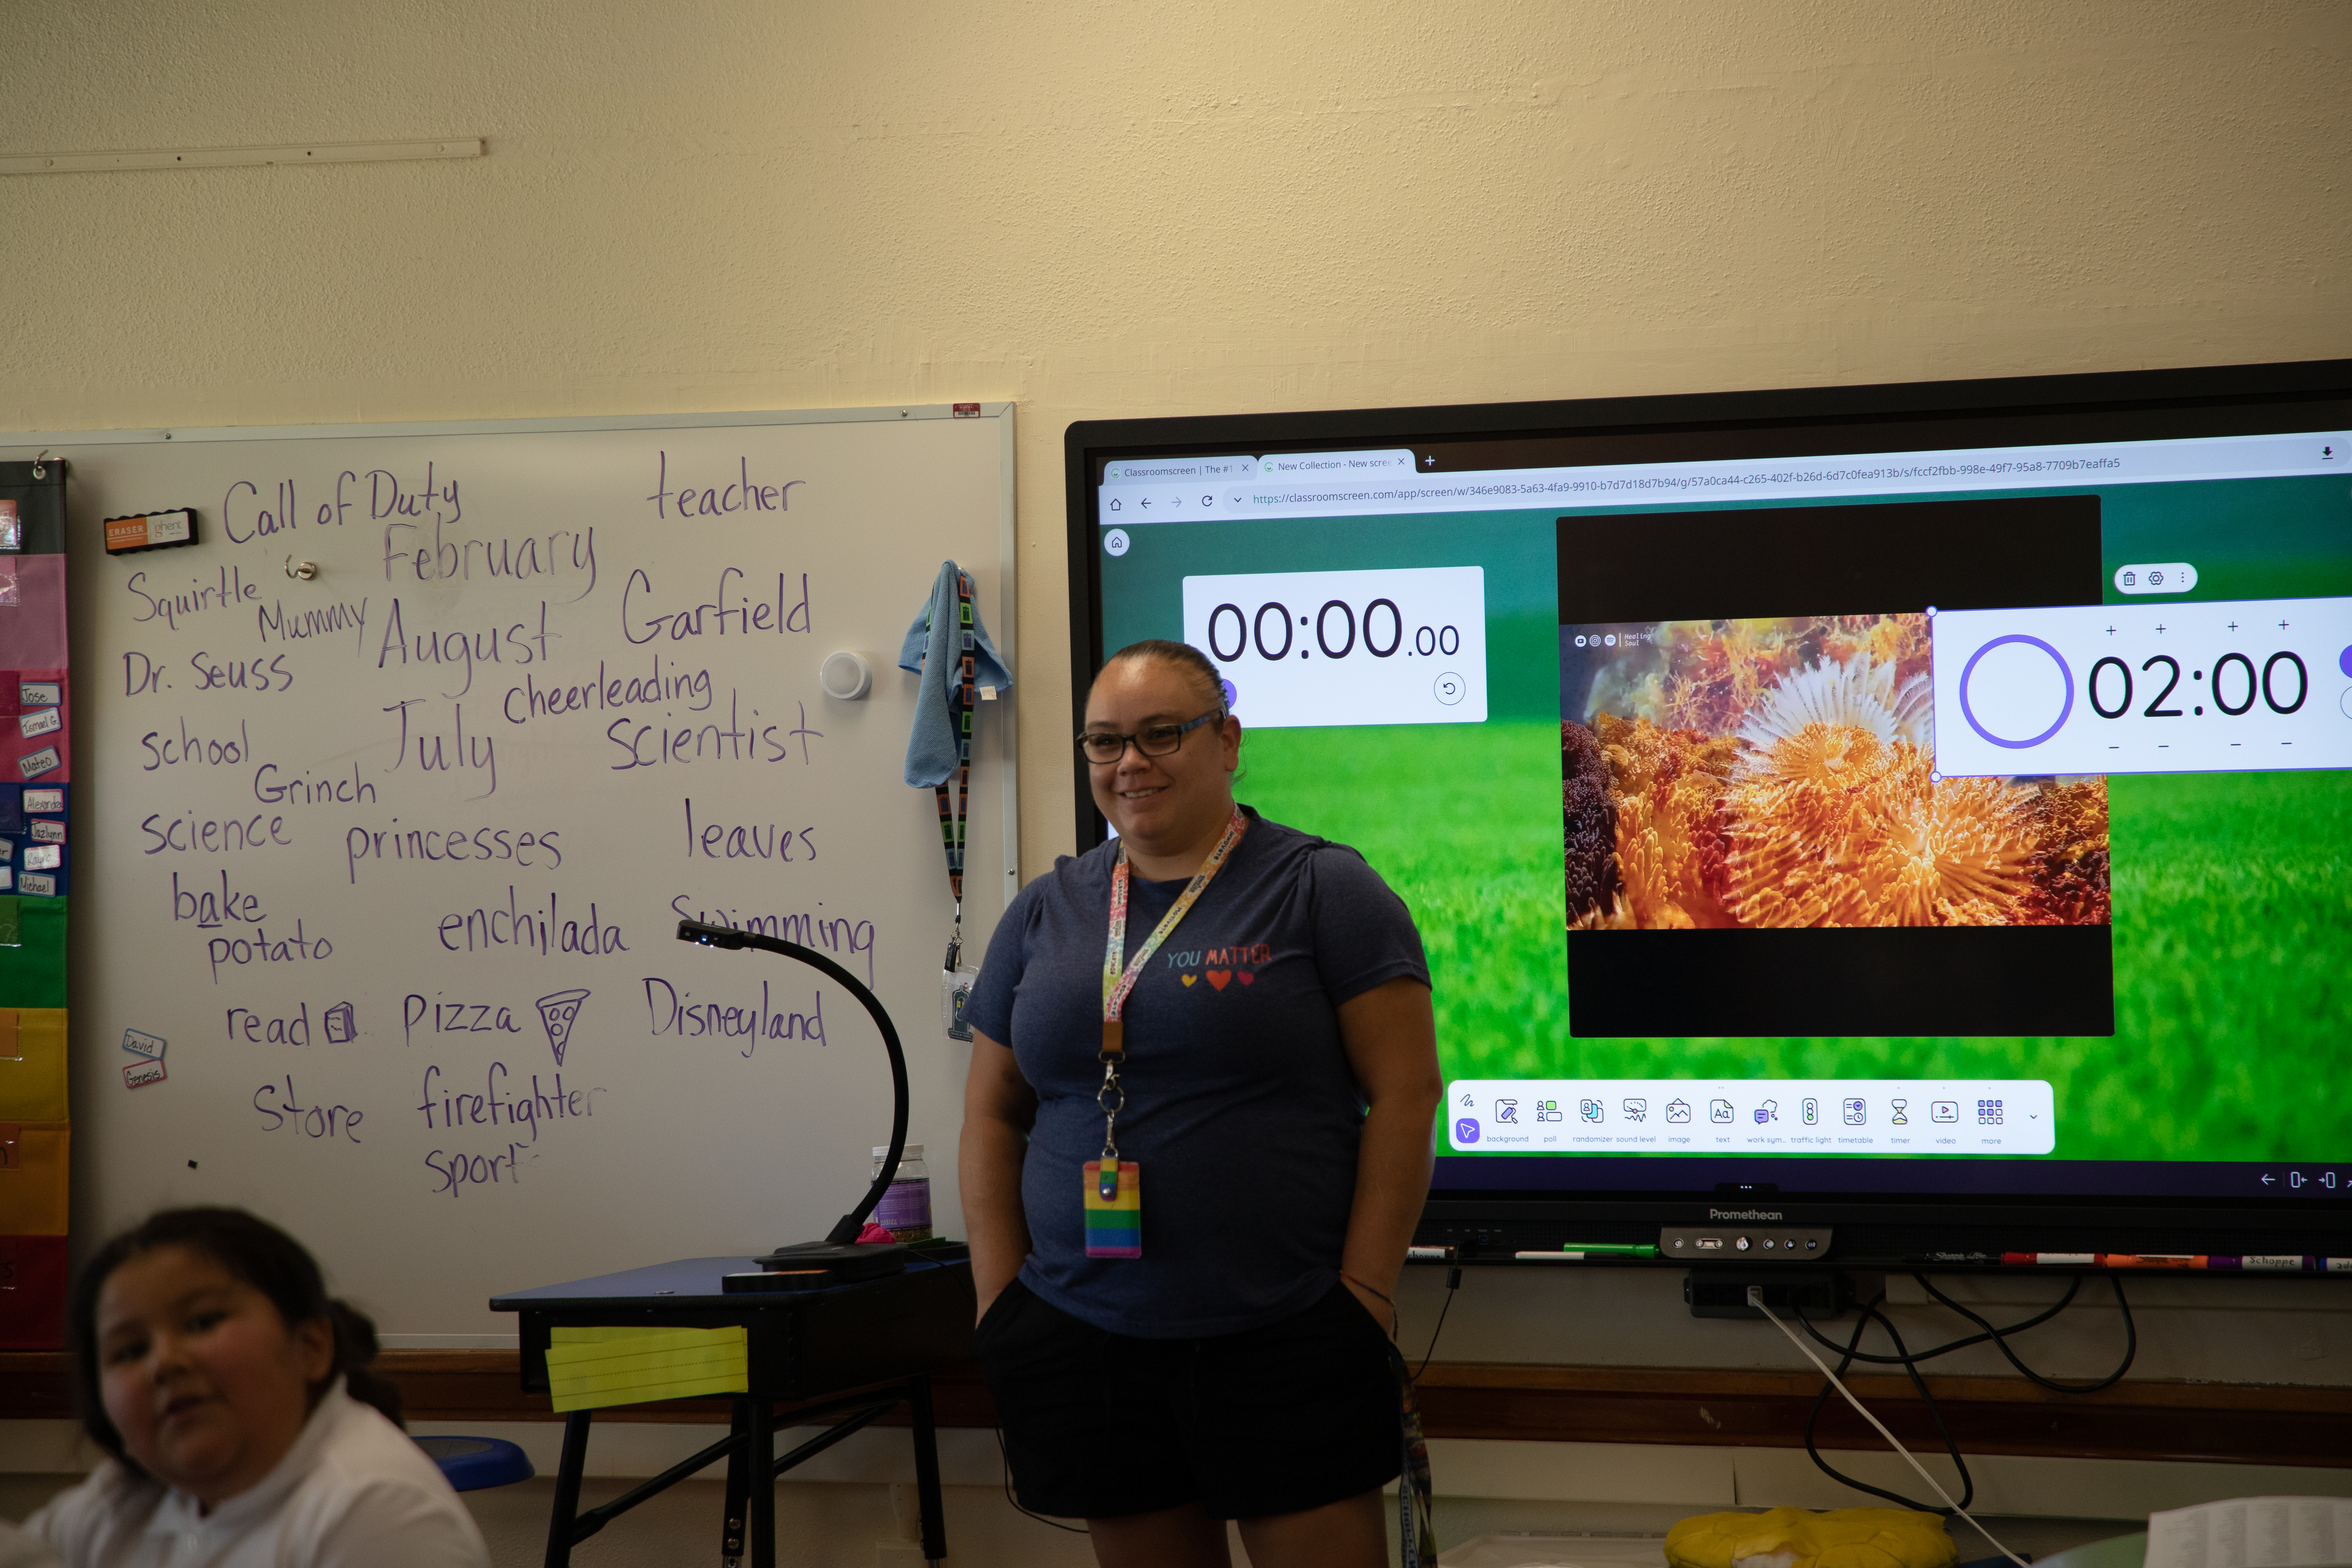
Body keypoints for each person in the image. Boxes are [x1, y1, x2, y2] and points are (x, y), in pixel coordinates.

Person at [960, 639, 1442, 1568]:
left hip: (1286, 1329)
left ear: (1227, 740)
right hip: (1085, 1338)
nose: (1129, 763)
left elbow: (1405, 1092)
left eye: (1159, 734)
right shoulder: (1043, 913)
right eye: (1105, 742)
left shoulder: (1321, 888)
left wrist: (1366, 1295)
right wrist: (998, 1301)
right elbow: (991, 1112)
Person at [25, 1207, 490, 1568]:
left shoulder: (373, 1509)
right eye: (128, 1350)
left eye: (203, 1321)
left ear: (311, 1345)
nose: (163, 1363)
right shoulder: (126, 1500)